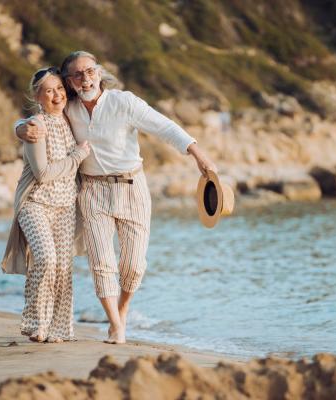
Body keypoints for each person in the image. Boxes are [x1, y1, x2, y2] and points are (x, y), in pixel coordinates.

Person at [16, 51, 217, 344]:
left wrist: (199, 155)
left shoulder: (125, 102)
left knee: (134, 265)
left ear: (99, 72)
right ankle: (115, 325)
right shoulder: (68, 106)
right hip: (92, 191)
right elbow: (37, 117)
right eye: (77, 75)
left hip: (133, 187)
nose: (85, 78)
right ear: (70, 82)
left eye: (90, 71)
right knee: (102, 264)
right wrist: (20, 128)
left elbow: (165, 127)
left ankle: (122, 310)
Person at [3, 67, 90, 343]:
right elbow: (43, 173)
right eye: (49, 90)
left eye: (60, 89)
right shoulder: (35, 126)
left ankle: (59, 328)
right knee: (45, 258)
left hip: (65, 205)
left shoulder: (70, 118)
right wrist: (77, 155)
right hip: (35, 203)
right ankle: (35, 321)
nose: (57, 95)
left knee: (64, 268)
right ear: (37, 96)